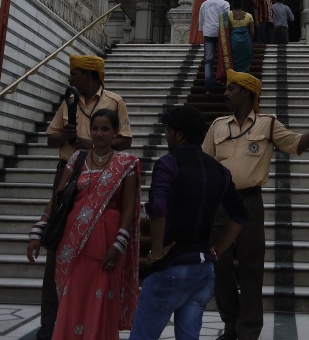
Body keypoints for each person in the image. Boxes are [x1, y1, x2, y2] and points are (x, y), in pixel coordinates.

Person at [202, 70, 309, 340]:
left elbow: (298, 144)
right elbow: (204, 163)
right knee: (219, 265)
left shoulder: (268, 125)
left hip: (249, 203)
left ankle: (248, 330)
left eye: (232, 89)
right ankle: (230, 324)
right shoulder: (217, 125)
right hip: (220, 205)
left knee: (251, 268)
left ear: (247, 93)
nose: (225, 94)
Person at [129, 106, 247, 340]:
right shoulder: (220, 171)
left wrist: (156, 251)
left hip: (173, 265)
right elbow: (240, 215)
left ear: (179, 134)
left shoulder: (168, 164)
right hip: (202, 269)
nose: (166, 136)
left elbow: (158, 208)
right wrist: (218, 250)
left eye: (168, 131)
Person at [36, 55, 133, 340]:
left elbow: (125, 139)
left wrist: (92, 143)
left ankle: (92, 321)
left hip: (102, 174)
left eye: (75, 73)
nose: (71, 78)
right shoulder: (69, 101)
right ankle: (51, 322)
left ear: (90, 75)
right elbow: (50, 138)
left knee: (95, 257)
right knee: (56, 247)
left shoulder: (114, 102)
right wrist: (64, 136)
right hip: (69, 172)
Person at [198, 0, 230, 94]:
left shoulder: (205, 4)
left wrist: (202, 30)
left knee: (209, 60)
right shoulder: (225, 3)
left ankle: (208, 88)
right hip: (221, 32)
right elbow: (226, 20)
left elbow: (201, 20)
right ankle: (224, 82)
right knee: (224, 58)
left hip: (208, 32)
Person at [224, 0, 255, 72]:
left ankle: (234, 79)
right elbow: (253, 32)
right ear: (242, 5)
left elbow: (225, 31)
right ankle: (245, 79)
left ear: (232, 5)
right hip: (246, 42)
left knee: (234, 61)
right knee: (245, 62)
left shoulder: (227, 15)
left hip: (233, 42)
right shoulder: (249, 15)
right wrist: (249, 40)